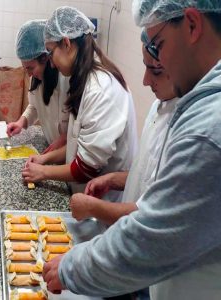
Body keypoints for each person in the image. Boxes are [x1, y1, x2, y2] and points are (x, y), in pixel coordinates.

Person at [43, 2, 221, 299]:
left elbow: (151, 240)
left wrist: (70, 269)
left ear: (192, 25)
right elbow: (157, 178)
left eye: (158, 46)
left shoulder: (208, 127)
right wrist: (116, 179)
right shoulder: (189, 106)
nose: (146, 78)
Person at [22, 7, 138, 201]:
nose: (50, 63)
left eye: (50, 53)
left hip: (106, 204)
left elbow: (86, 168)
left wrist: (43, 172)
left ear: (66, 43)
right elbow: (75, 145)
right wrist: (45, 159)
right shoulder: (83, 80)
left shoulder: (101, 89)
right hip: (85, 199)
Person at [70, 29, 179, 225]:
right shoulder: (158, 106)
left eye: (155, 71)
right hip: (126, 228)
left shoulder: (186, 126)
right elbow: (147, 177)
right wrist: (113, 180)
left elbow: (156, 213)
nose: (145, 81)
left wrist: (94, 208)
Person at [7, 19, 69, 154]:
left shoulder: (66, 79)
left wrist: (65, 139)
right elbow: (35, 106)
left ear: (46, 58)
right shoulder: (37, 78)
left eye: (31, 68)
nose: (29, 74)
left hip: (67, 152)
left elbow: (79, 126)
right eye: (25, 68)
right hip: (51, 147)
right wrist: (21, 123)